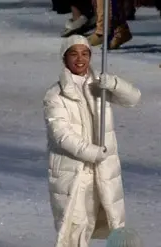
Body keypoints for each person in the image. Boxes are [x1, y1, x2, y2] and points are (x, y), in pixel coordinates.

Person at [44, 35, 140, 246]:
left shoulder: (99, 86)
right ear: (64, 58)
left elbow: (133, 98)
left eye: (85, 53)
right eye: (74, 54)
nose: (80, 59)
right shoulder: (55, 95)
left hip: (104, 170)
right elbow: (61, 135)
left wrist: (114, 84)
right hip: (75, 173)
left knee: (115, 225)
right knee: (74, 229)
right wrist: (93, 152)